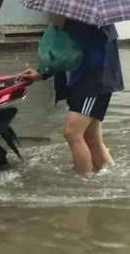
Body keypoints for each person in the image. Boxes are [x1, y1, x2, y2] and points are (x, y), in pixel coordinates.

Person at [17, 15, 124, 174]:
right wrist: (42, 73)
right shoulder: (73, 11)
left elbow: (96, 44)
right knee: (92, 138)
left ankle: (84, 185)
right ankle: (108, 180)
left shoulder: (95, 13)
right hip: (82, 80)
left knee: (72, 132)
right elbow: (65, 51)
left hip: (96, 80)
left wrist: (63, 24)